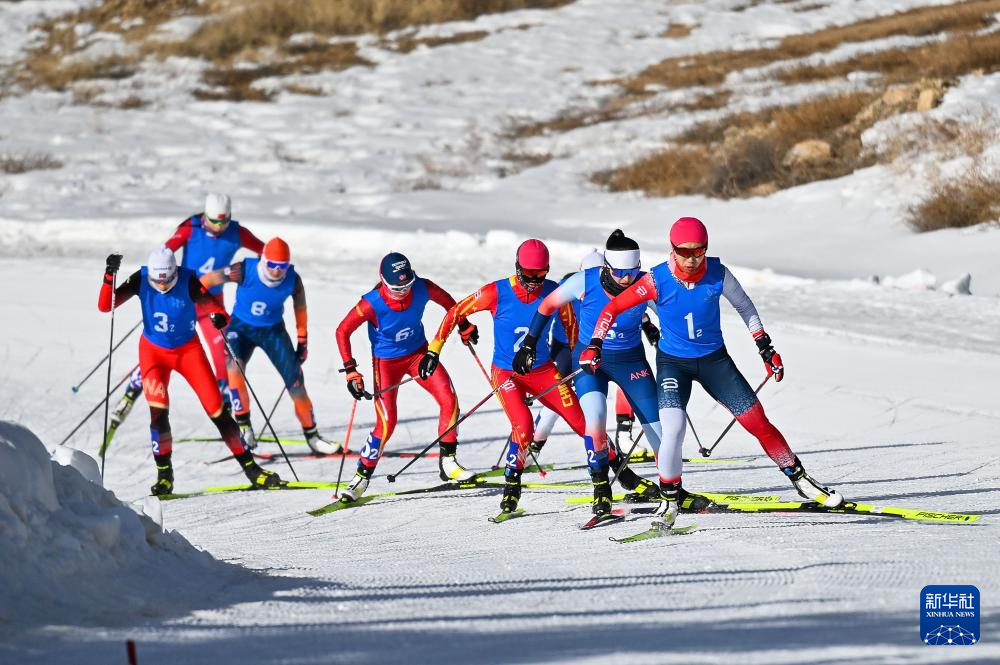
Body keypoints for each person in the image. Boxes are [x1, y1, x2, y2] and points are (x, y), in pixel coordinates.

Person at [581, 217, 843, 528]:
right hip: (673, 364)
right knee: (673, 429)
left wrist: (765, 347)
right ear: (672, 249)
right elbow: (612, 308)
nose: (692, 259)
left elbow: (745, 307)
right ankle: (669, 499)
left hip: (714, 362)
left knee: (757, 422)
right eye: (684, 252)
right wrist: (595, 344)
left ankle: (801, 479)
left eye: (698, 252)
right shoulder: (655, 280)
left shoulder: (718, 273)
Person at [421, 239, 654, 516]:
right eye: (528, 274)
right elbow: (456, 311)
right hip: (506, 373)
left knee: (586, 423)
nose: (534, 281)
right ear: (517, 268)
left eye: (540, 274)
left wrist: (578, 364)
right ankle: (512, 484)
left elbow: (570, 328)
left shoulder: (553, 291)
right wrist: (436, 348)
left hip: (543, 371)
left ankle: (623, 475)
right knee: (523, 425)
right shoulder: (496, 291)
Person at [98, 247, 280, 495]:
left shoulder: (188, 280)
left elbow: (217, 310)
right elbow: (105, 306)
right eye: (157, 280)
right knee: (158, 414)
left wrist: (219, 318)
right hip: (153, 354)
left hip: (188, 353)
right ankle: (164, 476)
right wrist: (109, 276)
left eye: (167, 279)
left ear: (175, 273)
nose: (162, 285)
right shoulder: (140, 279)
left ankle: (252, 470)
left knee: (218, 411)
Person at [514, 230, 662, 515]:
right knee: (594, 419)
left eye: (632, 272)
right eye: (619, 273)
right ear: (606, 267)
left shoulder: (646, 282)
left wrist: (669, 339)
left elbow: (668, 311)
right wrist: (530, 343)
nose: (626, 279)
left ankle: (672, 488)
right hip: (589, 361)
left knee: (658, 429)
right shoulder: (584, 280)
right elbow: (547, 305)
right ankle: (601, 488)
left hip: (630, 361)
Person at [106, 194, 264, 434]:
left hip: (211, 303)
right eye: (214, 221)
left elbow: (265, 252)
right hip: (181, 300)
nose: (219, 227)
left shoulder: (237, 232)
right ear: (205, 216)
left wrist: (256, 275)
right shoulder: (191, 227)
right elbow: (163, 253)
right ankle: (133, 390)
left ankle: (224, 411)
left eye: (224, 222)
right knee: (163, 349)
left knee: (224, 354)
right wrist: (160, 288)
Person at [335, 252, 478, 502]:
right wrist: (350, 370)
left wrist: (463, 324)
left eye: (407, 285)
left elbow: (450, 304)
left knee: (449, 399)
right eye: (396, 288)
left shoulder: (422, 287)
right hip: (386, 364)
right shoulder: (370, 303)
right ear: (383, 281)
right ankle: (361, 476)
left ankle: (448, 463)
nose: (403, 292)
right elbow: (342, 331)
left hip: (419, 355)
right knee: (387, 422)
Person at [201, 237, 335, 455]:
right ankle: (244, 428)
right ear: (263, 260)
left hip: (272, 332)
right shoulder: (243, 270)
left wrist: (302, 340)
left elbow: (300, 308)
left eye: (282, 266)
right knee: (234, 369)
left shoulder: (293, 279)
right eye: (271, 264)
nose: (276, 271)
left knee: (296, 383)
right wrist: (213, 310)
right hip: (240, 329)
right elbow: (206, 281)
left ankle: (313, 436)